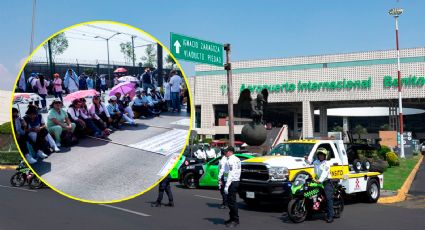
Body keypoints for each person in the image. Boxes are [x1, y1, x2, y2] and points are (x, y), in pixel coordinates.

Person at [307, 147, 334, 223]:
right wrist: (306, 159)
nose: (321, 156)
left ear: (325, 156)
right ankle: (310, 213)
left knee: (328, 198)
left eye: (322, 155)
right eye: (319, 155)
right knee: (311, 194)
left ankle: (330, 216)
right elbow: (309, 162)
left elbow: (324, 174)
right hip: (317, 181)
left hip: (326, 181)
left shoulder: (327, 164)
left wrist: (320, 180)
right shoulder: (316, 162)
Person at [222, 146, 241, 227]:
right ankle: (231, 218)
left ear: (230, 152)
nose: (224, 153)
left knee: (232, 202)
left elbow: (231, 173)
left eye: (226, 151)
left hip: (232, 182)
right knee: (230, 202)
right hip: (234, 181)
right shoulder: (236, 159)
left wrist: (226, 186)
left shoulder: (231, 160)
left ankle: (235, 220)